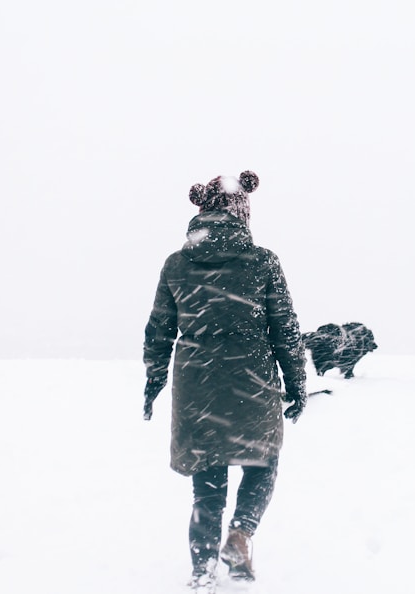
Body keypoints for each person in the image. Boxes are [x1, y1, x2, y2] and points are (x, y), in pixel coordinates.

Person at [142, 170, 307, 591]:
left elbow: (159, 329)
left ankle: (201, 572)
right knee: (262, 459)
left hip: (198, 381)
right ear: (242, 212)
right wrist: (297, 381)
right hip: (251, 376)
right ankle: (241, 533)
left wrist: (154, 379)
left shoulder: (177, 264)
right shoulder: (263, 261)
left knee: (208, 482)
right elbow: (285, 329)